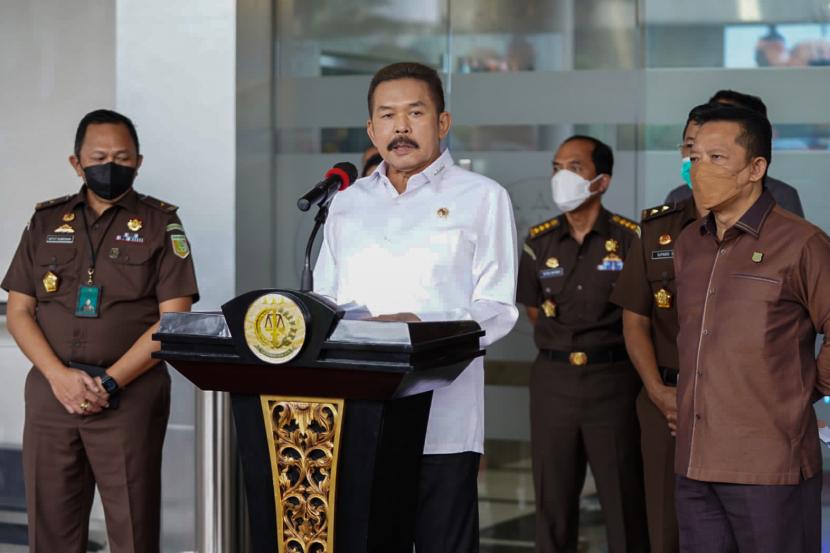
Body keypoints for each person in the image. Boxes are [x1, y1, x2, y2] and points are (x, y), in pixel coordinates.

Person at [313, 62, 518, 552]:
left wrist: (420, 331)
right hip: (361, 415)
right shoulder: (346, 204)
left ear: (442, 123)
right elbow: (325, 303)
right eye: (386, 115)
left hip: (443, 421)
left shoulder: (482, 198)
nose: (400, 127)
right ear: (371, 129)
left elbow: (497, 308)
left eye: (415, 112)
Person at [2, 109, 199, 553]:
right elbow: (18, 311)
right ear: (77, 163)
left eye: (122, 157)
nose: (111, 165)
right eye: (99, 156)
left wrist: (109, 383)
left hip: (129, 396)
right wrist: (58, 377)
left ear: (139, 161)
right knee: (50, 527)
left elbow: (174, 320)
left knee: (132, 526)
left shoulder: (160, 224)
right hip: (53, 395)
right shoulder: (46, 222)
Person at [673, 104, 828, 552]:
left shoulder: (801, 242)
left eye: (717, 158)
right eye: (695, 158)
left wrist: (805, 388)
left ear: (756, 167)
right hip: (695, 464)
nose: (700, 169)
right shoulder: (688, 244)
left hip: (768, 466)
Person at [516, 135, 649, 553]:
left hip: (613, 381)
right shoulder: (538, 241)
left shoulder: (631, 239)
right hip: (553, 380)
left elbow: (644, 314)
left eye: (574, 168)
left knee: (622, 497)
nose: (562, 177)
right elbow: (533, 307)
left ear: (601, 181)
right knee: (552, 500)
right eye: (557, 168)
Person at [609, 104, 713, 553]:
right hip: (664, 403)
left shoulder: (780, 236)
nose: (696, 160)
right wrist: (655, 388)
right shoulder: (657, 228)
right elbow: (635, 317)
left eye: (710, 151)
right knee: (665, 529)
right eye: (689, 148)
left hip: (741, 406)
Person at [665, 90, 804, 218]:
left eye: (716, 155)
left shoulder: (782, 200)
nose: (701, 167)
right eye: (691, 147)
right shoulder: (678, 199)